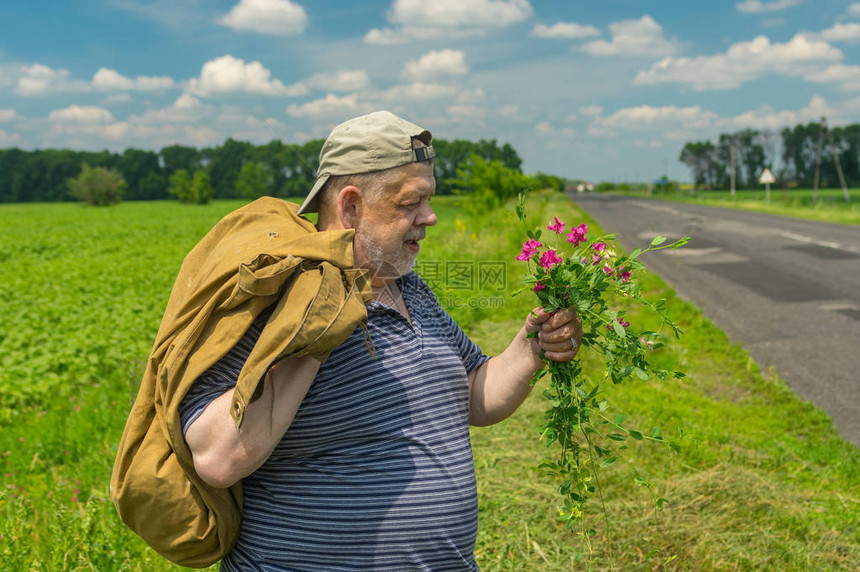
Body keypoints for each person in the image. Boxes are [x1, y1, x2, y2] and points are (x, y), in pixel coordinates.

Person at [179, 110, 582, 570]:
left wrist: (532, 348)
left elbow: (469, 394)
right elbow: (216, 457)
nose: (430, 217)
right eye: (412, 201)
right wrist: (316, 333)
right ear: (351, 206)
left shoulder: (404, 286)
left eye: (429, 199)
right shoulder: (275, 296)